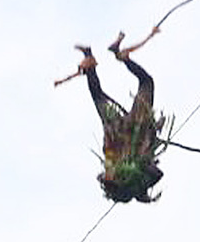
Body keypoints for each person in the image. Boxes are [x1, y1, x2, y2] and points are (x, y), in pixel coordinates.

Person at [60, 31, 169, 203]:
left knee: (144, 83)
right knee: (100, 96)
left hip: (131, 128)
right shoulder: (128, 176)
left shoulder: (126, 176)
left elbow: (156, 173)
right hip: (123, 130)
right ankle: (99, 59)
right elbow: (153, 172)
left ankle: (110, 57)